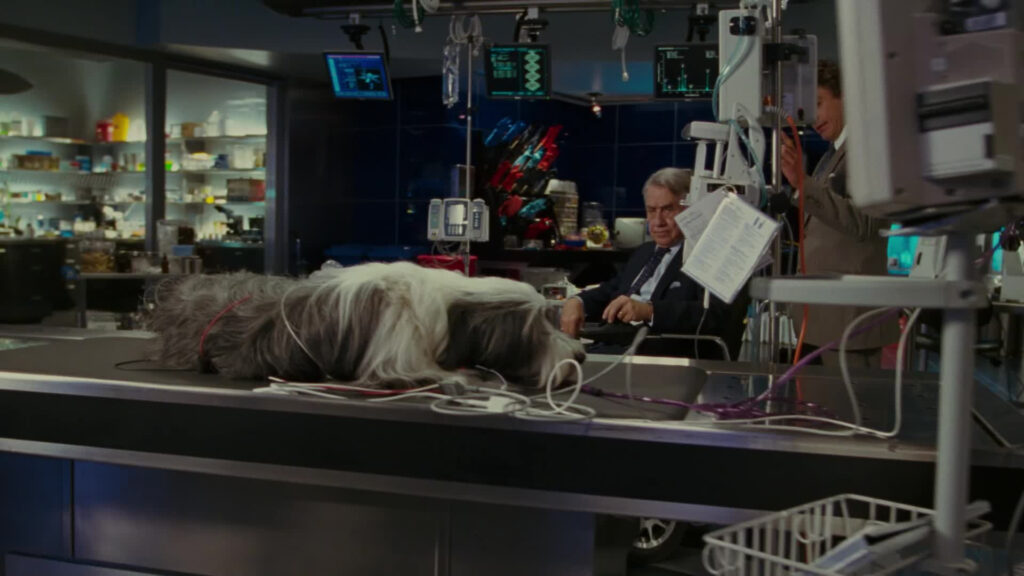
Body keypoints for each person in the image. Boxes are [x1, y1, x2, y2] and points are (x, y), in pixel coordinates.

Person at [780, 60, 898, 368]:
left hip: (849, 322)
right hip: (822, 318)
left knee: (845, 399)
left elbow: (864, 223)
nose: (812, 119)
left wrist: (802, 183)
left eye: (818, 104)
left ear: (846, 96)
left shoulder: (869, 150)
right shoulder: (833, 155)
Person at [559, 167, 727, 355]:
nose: (658, 222)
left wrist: (649, 311)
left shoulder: (707, 256)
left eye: (668, 209)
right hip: (611, 346)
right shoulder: (645, 252)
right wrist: (577, 301)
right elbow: (611, 290)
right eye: (651, 211)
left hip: (656, 355)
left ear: (690, 210)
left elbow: (714, 316)